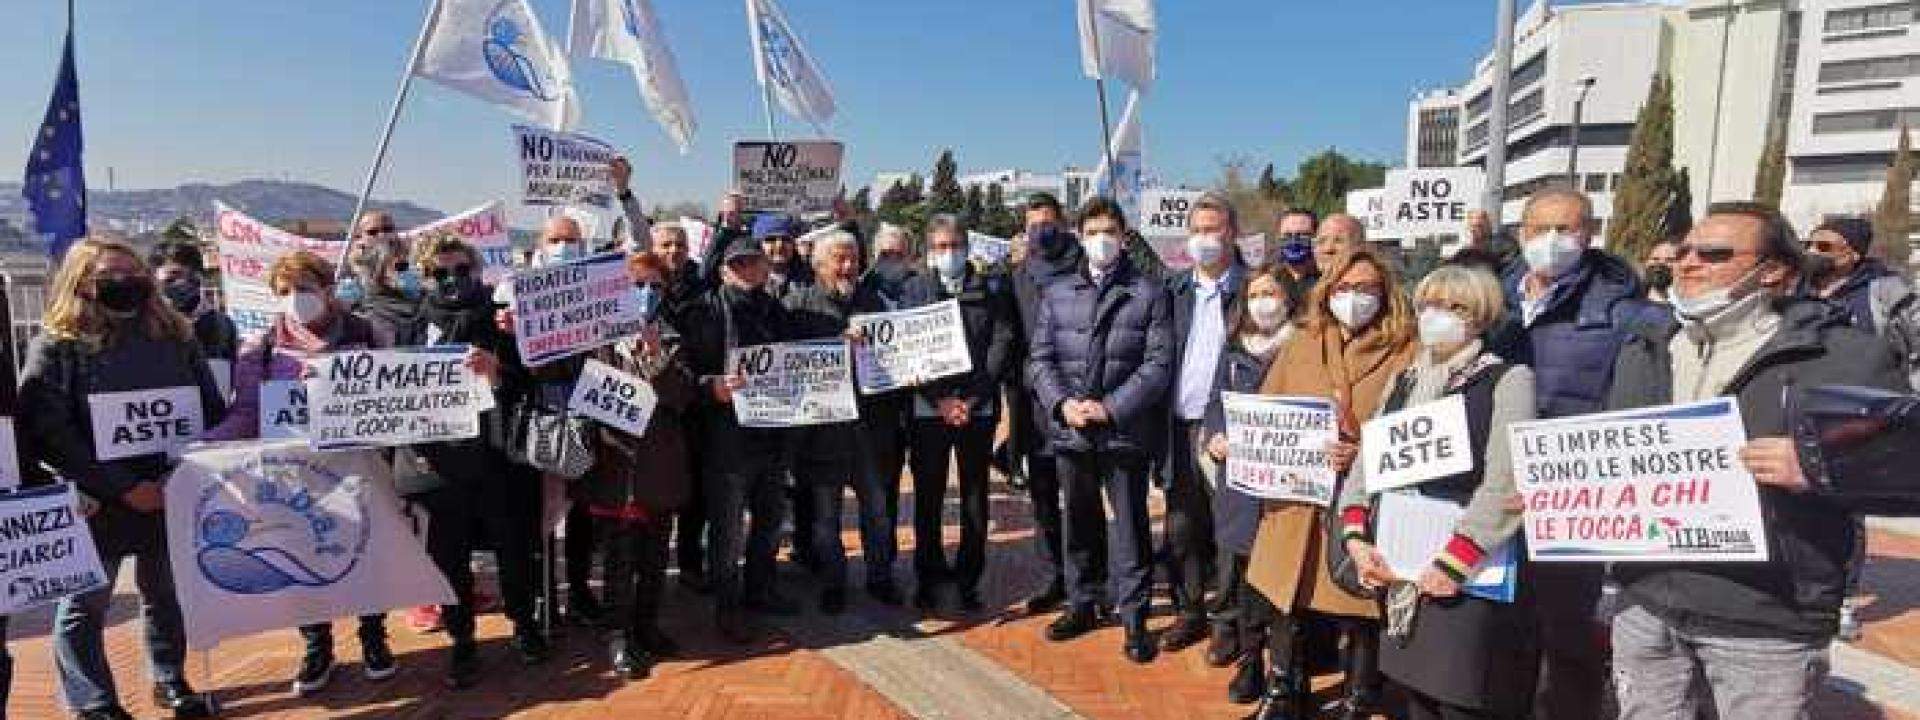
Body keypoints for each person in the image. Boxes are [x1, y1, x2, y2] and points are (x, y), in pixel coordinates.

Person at [1605, 202, 1909, 719]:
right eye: (1682, 252)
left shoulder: (1843, 355)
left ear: (1774, 271)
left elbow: (1905, 469)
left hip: (1767, 612)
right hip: (1647, 599)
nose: (1688, 263)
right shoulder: (1646, 345)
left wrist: (1819, 465)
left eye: (1714, 253)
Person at [19, 238, 228, 720]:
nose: (124, 284)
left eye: (132, 273)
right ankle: (94, 703)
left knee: (165, 594)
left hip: (167, 490)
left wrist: (186, 474)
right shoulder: (56, 345)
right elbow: (49, 430)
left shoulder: (176, 336)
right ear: (82, 283)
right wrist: (120, 487)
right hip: (96, 499)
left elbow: (207, 408)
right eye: (110, 276)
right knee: (84, 606)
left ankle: (170, 678)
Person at [1485, 186, 1665, 720]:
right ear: (1521, 234)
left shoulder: (1626, 316)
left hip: (1568, 502)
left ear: (1589, 234)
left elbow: (1636, 411)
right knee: (1499, 625)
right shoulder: (1492, 302)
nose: (1552, 240)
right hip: (1496, 492)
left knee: (1566, 631)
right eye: (1540, 229)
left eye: (1567, 229)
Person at [1336, 265, 1538, 720]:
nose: (1436, 315)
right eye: (1428, 304)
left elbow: (1505, 481)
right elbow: (1369, 466)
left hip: (1466, 573)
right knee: (1415, 698)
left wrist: (1455, 560)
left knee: (1460, 698)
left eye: (1453, 306)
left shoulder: (1508, 379)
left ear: (1481, 315)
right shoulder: (1403, 380)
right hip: (1399, 566)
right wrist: (1355, 536)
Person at [200, 250, 397, 695]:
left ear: (328, 290)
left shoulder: (368, 334)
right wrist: (206, 444)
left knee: (367, 555)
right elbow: (246, 413)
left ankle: (373, 637)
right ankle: (317, 646)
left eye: (305, 289)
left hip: (358, 470)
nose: (296, 299)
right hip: (294, 480)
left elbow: (397, 396)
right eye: (285, 292)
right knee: (302, 557)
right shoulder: (262, 351)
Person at [1245, 249, 1418, 720]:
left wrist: (1363, 451)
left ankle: (1361, 693)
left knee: (1358, 602)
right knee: (1287, 594)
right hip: (1295, 496)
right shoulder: (1303, 341)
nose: (1354, 297)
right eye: (1344, 287)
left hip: (1363, 497)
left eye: (1366, 288)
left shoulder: (1408, 347)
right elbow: (1267, 405)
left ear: (1385, 293)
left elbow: (1418, 430)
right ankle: (1285, 689)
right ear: (1327, 290)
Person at [1029, 196, 1174, 663]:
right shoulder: (1058, 292)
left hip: (1122, 431)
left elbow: (1157, 365)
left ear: (1124, 235)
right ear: (1079, 236)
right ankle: (1083, 603)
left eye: (1108, 231)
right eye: (1092, 232)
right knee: (1079, 523)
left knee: (1130, 527)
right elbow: (1040, 360)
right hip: (1072, 431)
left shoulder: (1148, 292)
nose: (1101, 240)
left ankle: (1134, 617)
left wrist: (1110, 409)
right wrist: (1061, 404)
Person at [411, 237, 547, 687]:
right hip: (443, 464)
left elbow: (534, 380)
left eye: (461, 271)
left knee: (514, 549)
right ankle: (462, 640)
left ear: (477, 271)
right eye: (440, 273)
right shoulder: (415, 326)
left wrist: (500, 369)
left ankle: (525, 626)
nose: (452, 281)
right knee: (449, 558)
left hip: (499, 458)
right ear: (426, 277)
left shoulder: (504, 316)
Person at [584, 251, 697, 680]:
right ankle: (617, 636)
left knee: (653, 558)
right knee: (619, 559)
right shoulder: (597, 337)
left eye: (655, 286)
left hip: (661, 466)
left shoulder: (673, 338)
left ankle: (647, 626)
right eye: (637, 284)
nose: (646, 293)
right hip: (617, 468)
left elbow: (683, 396)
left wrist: (656, 358)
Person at [679, 237, 798, 642]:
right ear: (723, 270)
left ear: (766, 268)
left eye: (754, 263)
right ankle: (726, 606)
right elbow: (683, 378)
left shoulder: (778, 311)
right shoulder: (705, 312)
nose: (748, 270)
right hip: (726, 443)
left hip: (773, 438)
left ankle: (761, 589)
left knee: (769, 524)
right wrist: (713, 387)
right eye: (739, 263)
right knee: (727, 532)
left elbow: (803, 362)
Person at [783, 229, 904, 613]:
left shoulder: (877, 303)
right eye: (840, 259)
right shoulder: (799, 307)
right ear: (819, 265)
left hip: (871, 430)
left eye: (853, 258)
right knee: (825, 518)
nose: (848, 266)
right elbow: (789, 363)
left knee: (878, 512)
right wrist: (839, 345)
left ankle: (880, 577)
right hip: (822, 433)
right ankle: (833, 582)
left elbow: (901, 358)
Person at [902, 216, 1018, 611]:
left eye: (954, 245)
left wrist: (971, 399)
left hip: (977, 410)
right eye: (940, 246)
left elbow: (1001, 343)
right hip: (928, 410)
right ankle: (929, 576)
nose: (948, 253)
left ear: (967, 248)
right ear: (929, 250)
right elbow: (906, 349)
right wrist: (938, 400)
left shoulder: (990, 289)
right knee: (928, 496)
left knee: (974, 495)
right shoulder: (915, 290)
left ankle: (969, 578)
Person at [1198, 266, 1300, 704]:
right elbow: (1215, 401)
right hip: (1240, 488)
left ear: (1288, 298)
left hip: (1286, 492)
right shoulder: (1235, 347)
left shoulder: (1305, 347)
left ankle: (1285, 673)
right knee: (1243, 580)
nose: (1263, 302)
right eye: (1255, 294)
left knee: (1282, 585)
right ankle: (1249, 661)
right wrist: (1214, 433)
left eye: (1271, 293)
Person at [1162, 193, 1247, 652]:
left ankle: (1226, 621)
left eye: (1214, 230)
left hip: (1228, 432)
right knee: (1181, 526)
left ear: (1232, 234)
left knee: (1228, 528)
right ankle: (1189, 608)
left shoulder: (1253, 291)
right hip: (1179, 426)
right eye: (1197, 231)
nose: (1205, 240)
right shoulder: (1174, 290)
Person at [1006, 193, 1096, 615]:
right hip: (1034, 402)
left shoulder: (1086, 266)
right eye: (1033, 225)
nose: (1041, 231)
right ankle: (1053, 577)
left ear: (1063, 224)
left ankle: (1090, 584)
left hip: (1077, 397)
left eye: (1048, 223)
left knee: (1081, 496)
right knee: (1043, 496)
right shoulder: (1020, 274)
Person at [150, 240, 239, 398]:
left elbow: (231, 377)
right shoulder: (144, 326)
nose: (183, 282)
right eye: (173, 276)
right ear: (155, 279)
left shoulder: (224, 324)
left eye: (192, 275)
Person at [1274, 209, 1321, 306]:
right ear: (1278, 237)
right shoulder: (1267, 280)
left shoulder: (1327, 280)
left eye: (1303, 235)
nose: (1294, 241)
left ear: (1316, 238)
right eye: (1287, 235)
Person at [1642, 238, 1682, 304]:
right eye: (1655, 259)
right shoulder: (1631, 299)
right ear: (1646, 262)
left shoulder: (1687, 307)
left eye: (1669, 260)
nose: (1660, 264)